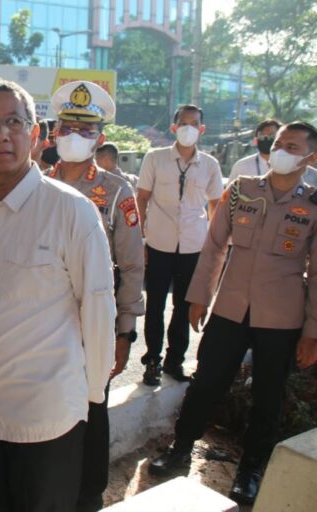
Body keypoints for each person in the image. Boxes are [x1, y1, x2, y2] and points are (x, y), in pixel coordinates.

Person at [0, 79, 116, 511]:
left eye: (14, 121)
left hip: (51, 419)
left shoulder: (71, 210)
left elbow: (99, 308)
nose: (1, 133)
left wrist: (91, 403)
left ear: (35, 135)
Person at [147, 121, 317, 505]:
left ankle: (251, 470)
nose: (281, 150)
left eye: (292, 146)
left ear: (311, 156)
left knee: (268, 397)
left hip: (282, 316)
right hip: (230, 308)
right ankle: (180, 449)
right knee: (206, 382)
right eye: (278, 143)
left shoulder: (313, 202)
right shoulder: (241, 189)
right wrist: (199, 296)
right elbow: (213, 247)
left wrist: (312, 331)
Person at [47, 80, 145, 512]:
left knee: (92, 408)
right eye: (67, 126)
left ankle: (88, 496)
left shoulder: (118, 192)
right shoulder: (33, 184)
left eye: (86, 130)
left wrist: (125, 331)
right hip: (43, 323)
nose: (74, 136)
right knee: (48, 407)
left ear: (101, 138)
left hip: (93, 326)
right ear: (52, 132)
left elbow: (132, 265)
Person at [136, 104, 224, 386]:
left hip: (193, 246)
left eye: (194, 123)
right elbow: (142, 198)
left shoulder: (210, 164)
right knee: (155, 305)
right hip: (159, 243)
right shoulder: (155, 158)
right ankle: (152, 360)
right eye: (183, 123)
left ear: (202, 128)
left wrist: (213, 245)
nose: (188, 128)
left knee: (184, 305)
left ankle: (176, 360)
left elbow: (214, 206)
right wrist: (140, 239)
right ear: (173, 127)